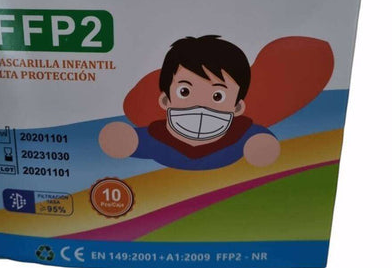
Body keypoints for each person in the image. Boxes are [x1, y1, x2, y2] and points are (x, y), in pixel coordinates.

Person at [99, 35, 280, 170]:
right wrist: (121, 140)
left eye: (217, 96)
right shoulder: (156, 139)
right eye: (184, 92)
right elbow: (128, 141)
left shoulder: (241, 137)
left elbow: (262, 142)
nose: (200, 105)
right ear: (165, 100)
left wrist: (261, 146)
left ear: (238, 107)